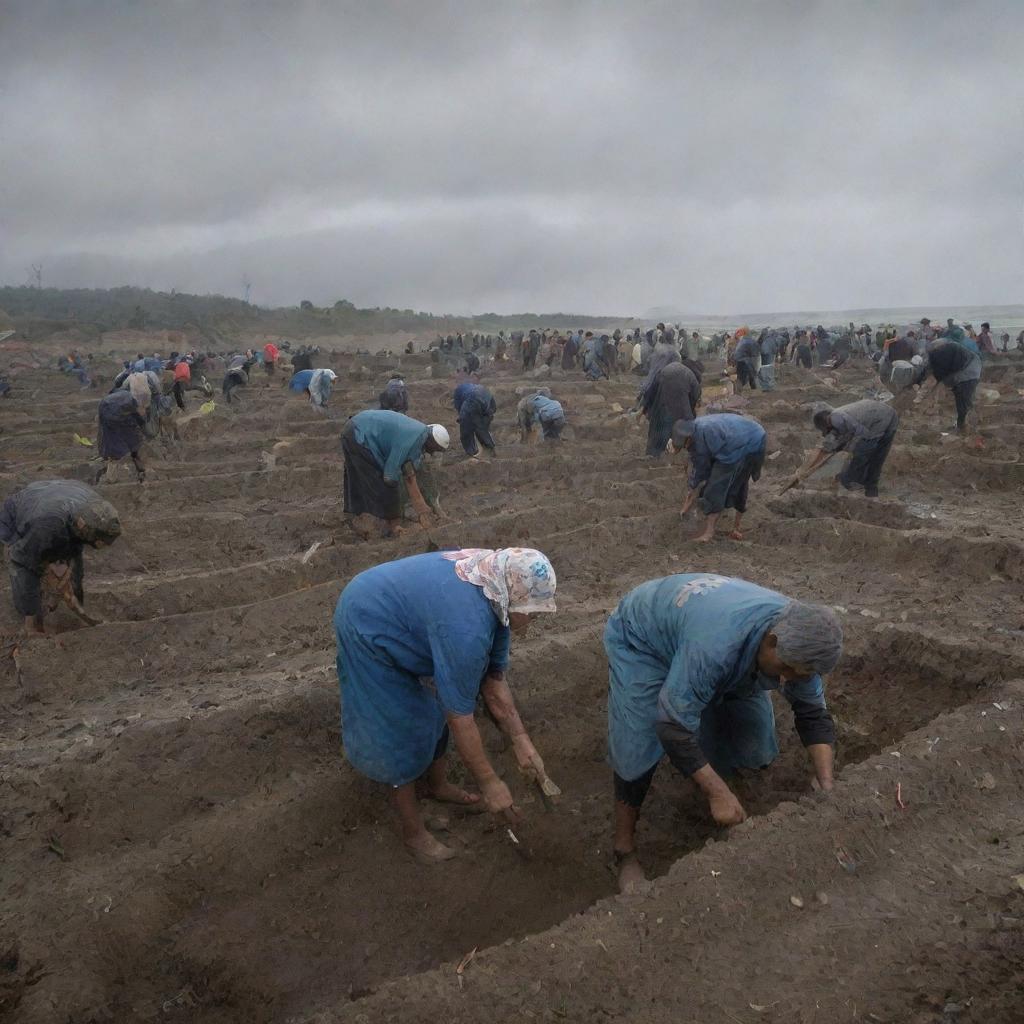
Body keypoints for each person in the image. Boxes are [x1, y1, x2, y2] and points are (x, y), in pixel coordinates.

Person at [605, 573, 842, 891]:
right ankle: (624, 851)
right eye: (785, 670)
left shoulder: (803, 640)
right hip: (644, 636)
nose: (787, 680)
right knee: (638, 742)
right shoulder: (714, 646)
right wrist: (718, 794)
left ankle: (718, 767)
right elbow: (671, 726)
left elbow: (813, 712)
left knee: (753, 745)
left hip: (718, 637)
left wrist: (826, 785)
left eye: (797, 675)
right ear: (772, 641)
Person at [334, 547, 557, 861]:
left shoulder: (496, 583)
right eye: (532, 611)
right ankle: (414, 834)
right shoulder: (465, 628)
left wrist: (522, 742)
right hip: (367, 621)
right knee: (399, 726)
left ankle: (438, 787)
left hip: (410, 612)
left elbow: (493, 683)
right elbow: (460, 715)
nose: (534, 619)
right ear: (511, 597)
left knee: (438, 704)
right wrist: (490, 783)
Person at [0, 480, 121, 633]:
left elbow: (74, 547)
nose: (101, 546)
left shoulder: (95, 508)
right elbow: (25, 559)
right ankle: (31, 624)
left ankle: (74, 604)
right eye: (100, 542)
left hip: (53, 500)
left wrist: (67, 575)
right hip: (17, 513)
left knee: (71, 566)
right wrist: (45, 569)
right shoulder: (47, 524)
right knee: (24, 570)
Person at [341, 410, 449, 535]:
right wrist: (396, 513)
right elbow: (390, 475)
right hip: (360, 434)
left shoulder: (419, 433)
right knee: (382, 483)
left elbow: (409, 474)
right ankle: (386, 526)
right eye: (434, 449)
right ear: (432, 443)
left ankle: (356, 517)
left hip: (354, 428)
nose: (431, 453)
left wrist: (422, 509)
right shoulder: (412, 438)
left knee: (359, 478)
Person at [670, 414, 767, 543]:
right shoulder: (695, 429)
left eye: (683, 446)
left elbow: (700, 472)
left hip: (750, 442)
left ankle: (709, 532)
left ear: (688, 440)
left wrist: (689, 498)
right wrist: (690, 498)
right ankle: (734, 527)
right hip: (744, 435)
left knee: (716, 488)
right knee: (728, 482)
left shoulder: (702, 437)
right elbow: (700, 470)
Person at [785, 400, 899, 499]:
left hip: (879, 420)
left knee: (861, 453)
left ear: (826, 424)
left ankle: (851, 484)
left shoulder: (836, 418)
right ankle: (871, 489)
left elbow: (859, 433)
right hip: (891, 417)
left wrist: (844, 445)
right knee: (878, 457)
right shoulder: (841, 414)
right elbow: (842, 437)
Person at [915, 338, 983, 433]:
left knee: (963, 398)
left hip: (969, 371)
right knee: (960, 396)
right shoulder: (936, 353)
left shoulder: (947, 350)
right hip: (962, 370)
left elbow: (940, 373)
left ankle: (966, 426)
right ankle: (963, 423)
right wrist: (917, 381)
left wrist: (932, 386)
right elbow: (929, 369)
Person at [641, 361, 701, 458]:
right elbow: (695, 398)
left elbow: (652, 390)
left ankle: (652, 453)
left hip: (662, 402)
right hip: (680, 407)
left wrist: (647, 407)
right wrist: (691, 414)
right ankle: (678, 452)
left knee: (658, 425)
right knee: (681, 426)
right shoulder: (692, 378)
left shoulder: (667, 369)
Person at [96, 389, 147, 483]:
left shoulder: (126, 399)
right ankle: (112, 477)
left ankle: (112, 475)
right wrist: (142, 425)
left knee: (117, 445)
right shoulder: (130, 405)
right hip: (110, 416)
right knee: (116, 448)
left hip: (106, 412)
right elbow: (137, 418)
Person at [453, 381, 497, 458]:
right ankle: (489, 448)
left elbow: (462, 414)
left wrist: (463, 419)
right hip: (488, 397)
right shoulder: (467, 387)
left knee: (466, 429)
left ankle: (473, 452)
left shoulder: (457, 395)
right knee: (481, 426)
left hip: (474, 397)